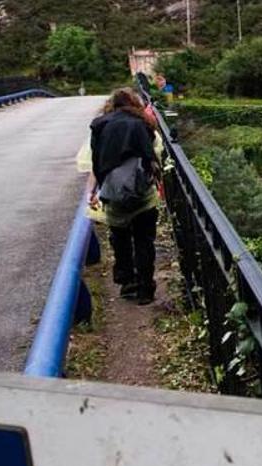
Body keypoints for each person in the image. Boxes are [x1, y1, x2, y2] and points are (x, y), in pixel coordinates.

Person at [86, 88, 161, 305]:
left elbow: (97, 162)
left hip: (114, 192)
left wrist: (96, 191)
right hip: (141, 193)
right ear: (134, 104)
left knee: (120, 238)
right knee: (144, 241)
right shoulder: (143, 124)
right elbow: (151, 156)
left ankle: (127, 281)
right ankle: (146, 290)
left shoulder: (100, 125)